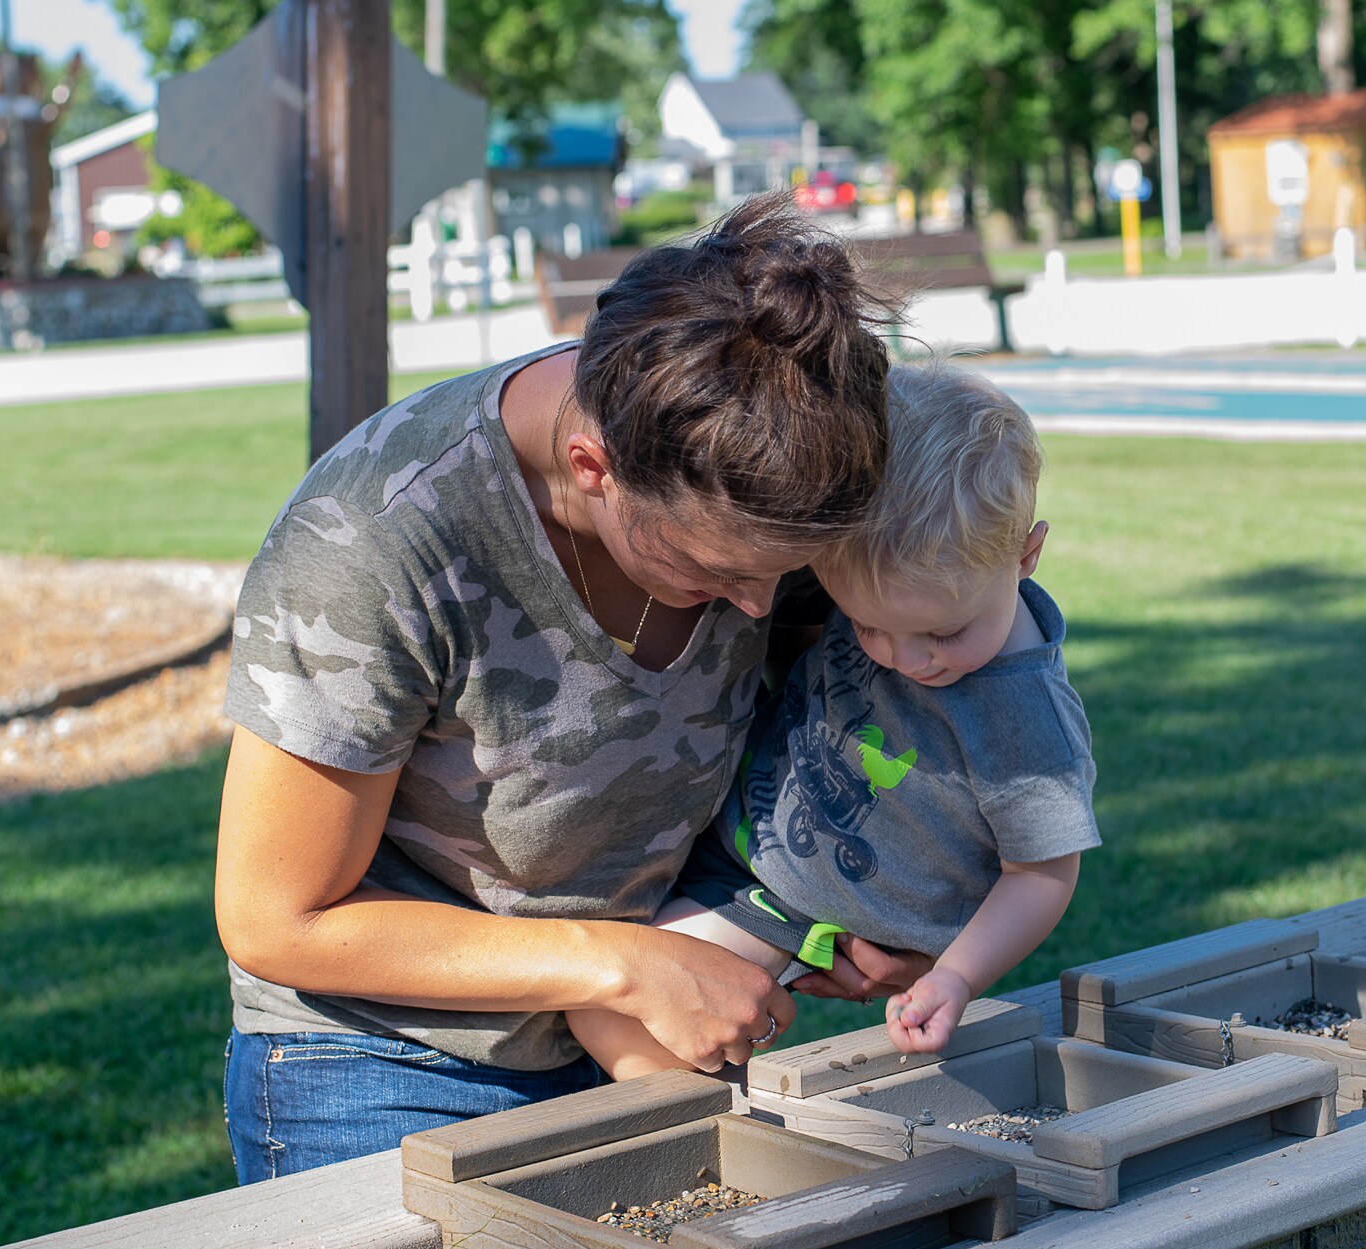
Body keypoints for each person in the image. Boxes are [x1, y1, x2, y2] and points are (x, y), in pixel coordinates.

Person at [214, 195, 928, 1183]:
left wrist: (892, 908)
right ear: (592, 466)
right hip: (390, 1059)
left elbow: (899, 698)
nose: (759, 608)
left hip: (651, 1018)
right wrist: (625, 964)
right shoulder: (374, 543)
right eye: (712, 570)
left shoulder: (778, 453)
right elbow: (275, 917)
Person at [570, 363, 1099, 1076]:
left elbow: (1040, 876)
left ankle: (723, 1155)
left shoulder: (1025, 724)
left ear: (1026, 555)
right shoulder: (883, 578)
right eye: (870, 629)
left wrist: (956, 976)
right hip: (742, 839)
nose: (910, 660)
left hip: (795, 902)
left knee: (615, 1011)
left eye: (943, 634)